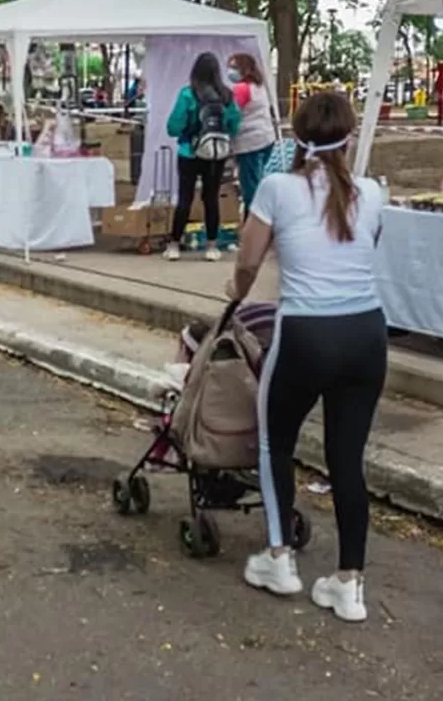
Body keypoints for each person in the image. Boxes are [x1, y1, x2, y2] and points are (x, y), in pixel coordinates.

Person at [228, 92, 386, 623]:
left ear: (297, 136)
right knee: (347, 458)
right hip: (366, 332)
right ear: (350, 133)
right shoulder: (372, 192)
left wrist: (237, 289)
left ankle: (279, 558)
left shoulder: (277, 188)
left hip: (306, 331)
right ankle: (350, 582)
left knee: (275, 438)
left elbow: (248, 259)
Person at [165, 52, 241, 262]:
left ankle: (174, 245)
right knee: (211, 198)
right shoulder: (226, 96)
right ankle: (212, 246)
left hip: (189, 152)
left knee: (185, 199)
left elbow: (173, 126)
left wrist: (184, 134)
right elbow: (235, 124)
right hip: (216, 154)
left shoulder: (187, 94)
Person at [228, 53, 277, 216]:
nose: (230, 71)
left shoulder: (240, 89)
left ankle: (254, 222)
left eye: (234, 67)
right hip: (266, 138)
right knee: (257, 180)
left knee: (250, 189)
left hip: (249, 142)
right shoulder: (259, 86)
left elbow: (232, 115)